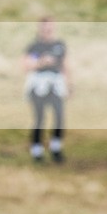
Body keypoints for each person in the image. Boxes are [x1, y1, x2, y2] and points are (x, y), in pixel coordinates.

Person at [23, 17, 71, 163]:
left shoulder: (59, 45)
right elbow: (26, 65)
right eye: (44, 27)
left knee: (59, 118)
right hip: (38, 85)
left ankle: (56, 149)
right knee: (39, 119)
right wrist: (40, 62)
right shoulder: (34, 46)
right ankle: (37, 151)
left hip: (56, 85)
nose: (47, 30)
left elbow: (66, 65)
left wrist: (70, 84)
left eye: (50, 27)